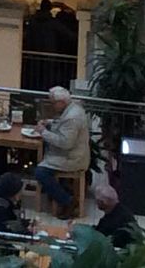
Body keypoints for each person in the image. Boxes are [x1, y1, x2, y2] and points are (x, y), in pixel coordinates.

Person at [33, 86, 90, 220]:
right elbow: (63, 124)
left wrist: (43, 132)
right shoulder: (73, 109)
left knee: (40, 172)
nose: (52, 106)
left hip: (72, 158)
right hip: (70, 154)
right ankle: (58, 194)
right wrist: (50, 123)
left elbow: (65, 143)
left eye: (53, 103)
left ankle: (67, 201)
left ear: (62, 102)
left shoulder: (72, 117)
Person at [91, 183, 137, 249]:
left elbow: (99, 237)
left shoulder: (112, 222)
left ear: (103, 202)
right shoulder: (122, 211)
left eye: (97, 200)